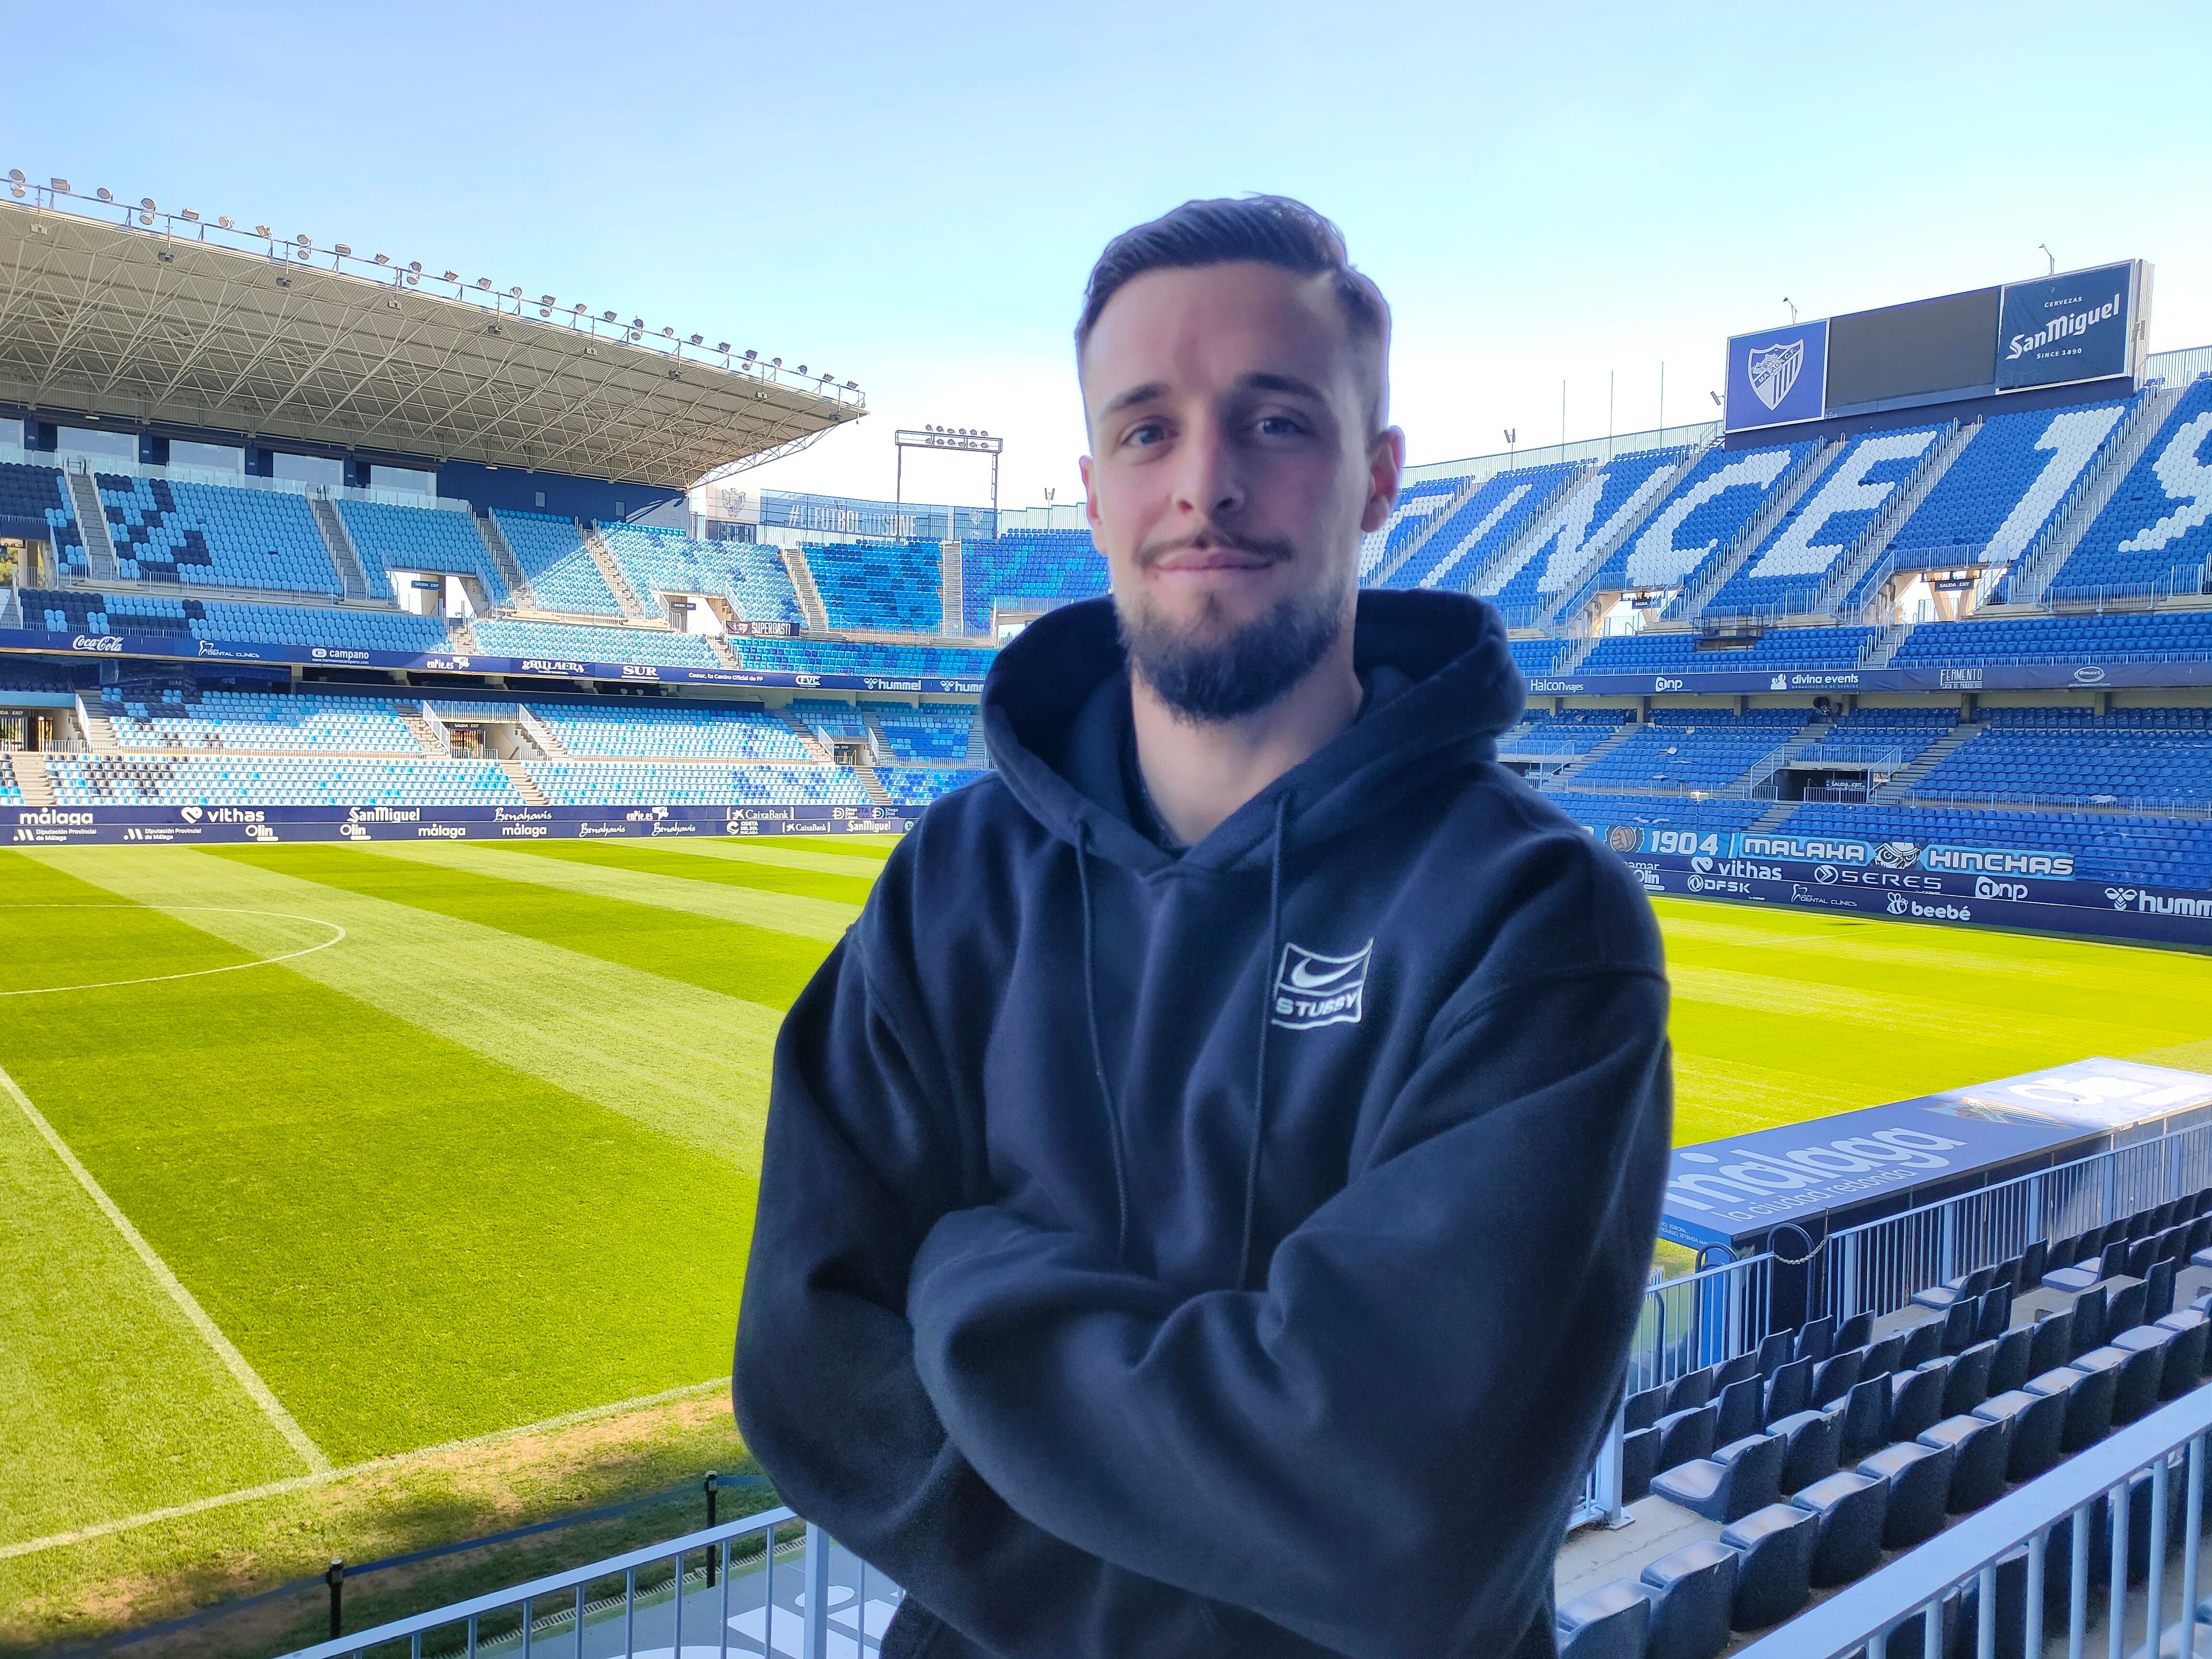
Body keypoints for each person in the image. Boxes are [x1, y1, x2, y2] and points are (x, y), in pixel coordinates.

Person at [735, 195, 1672, 1659]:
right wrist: (1236, 1527)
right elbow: (810, 1373)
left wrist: (966, 1280)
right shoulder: (952, 880)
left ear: (1376, 480)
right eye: (1148, 429)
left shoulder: (1537, 917)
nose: (1207, 485)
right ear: (1096, 492)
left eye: (1278, 423)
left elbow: (1404, 1519)